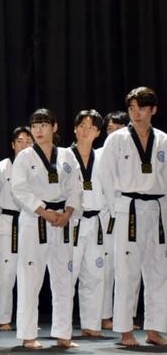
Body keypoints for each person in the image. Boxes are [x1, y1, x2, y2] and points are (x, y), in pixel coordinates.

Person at [97, 87, 167, 347]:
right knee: (127, 272)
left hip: (158, 210)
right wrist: (118, 206)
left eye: (141, 108)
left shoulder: (163, 140)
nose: (135, 113)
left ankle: (154, 329)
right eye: (131, 108)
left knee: (158, 271)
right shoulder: (117, 140)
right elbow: (104, 175)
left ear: (153, 110)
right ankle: (125, 330)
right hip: (129, 208)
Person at [11, 108, 81, 349]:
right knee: (30, 279)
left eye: (43, 124)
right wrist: (43, 211)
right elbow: (19, 190)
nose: (38, 130)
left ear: (55, 127)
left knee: (64, 278)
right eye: (34, 125)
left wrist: (68, 212)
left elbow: (75, 187)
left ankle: (63, 334)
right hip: (35, 221)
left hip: (61, 220)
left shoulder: (67, 156)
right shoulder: (24, 157)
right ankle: (28, 335)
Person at [0, 126, 33, 331]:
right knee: (5, 273)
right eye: (20, 141)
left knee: (30, 273)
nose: (24, 145)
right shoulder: (1, 168)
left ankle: (28, 319)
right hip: (8, 223)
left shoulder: (37, 166)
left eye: (28, 142)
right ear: (13, 145)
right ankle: (3, 318)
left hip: (30, 221)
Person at [69, 110, 108, 338]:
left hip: (96, 222)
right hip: (71, 222)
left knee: (94, 275)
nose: (86, 130)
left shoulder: (102, 159)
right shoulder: (63, 156)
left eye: (91, 127)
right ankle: (62, 326)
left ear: (98, 132)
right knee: (67, 276)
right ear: (75, 128)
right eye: (82, 125)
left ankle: (91, 325)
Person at [99, 110, 131, 330]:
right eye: (109, 129)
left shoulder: (135, 150)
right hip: (104, 214)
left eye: (118, 129)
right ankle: (103, 315)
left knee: (126, 267)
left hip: (129, 212)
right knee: (105, 267)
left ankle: (124, 316)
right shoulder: (98, 153)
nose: (113, 133)